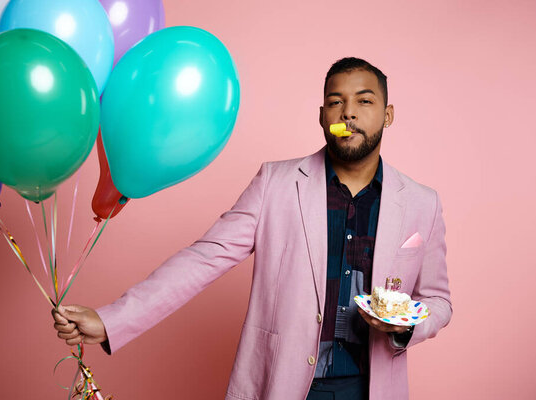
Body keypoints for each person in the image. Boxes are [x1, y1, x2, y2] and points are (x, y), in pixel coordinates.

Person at [52, 57, 452, 400]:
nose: (349, 112)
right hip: (284, 386)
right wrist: (111, 321)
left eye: (364, 101)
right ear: (322, 115)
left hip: (371, 387)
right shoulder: (275, 183)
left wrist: (409, 326)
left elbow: (438, 300)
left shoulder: (422, 202)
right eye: (336, 102)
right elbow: (202, 259)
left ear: (387, 114)